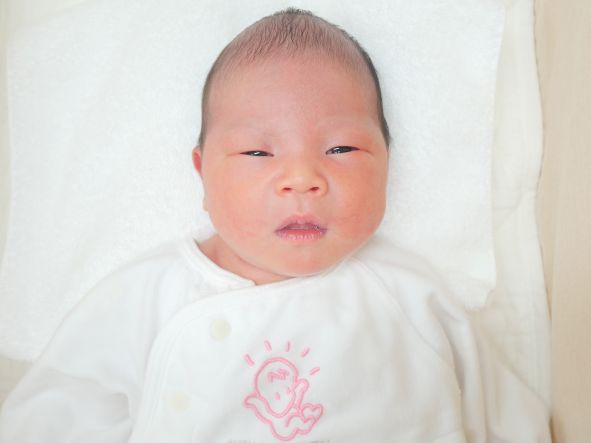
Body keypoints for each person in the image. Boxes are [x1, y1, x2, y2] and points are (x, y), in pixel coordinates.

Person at [0, 8, 550, 442]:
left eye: (341, 148)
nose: (302, 178)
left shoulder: (412, 297)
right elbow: (48, 419)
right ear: (202, 173)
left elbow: (510, 421)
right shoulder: (145, 297)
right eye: (258, 152)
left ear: (388, 162)